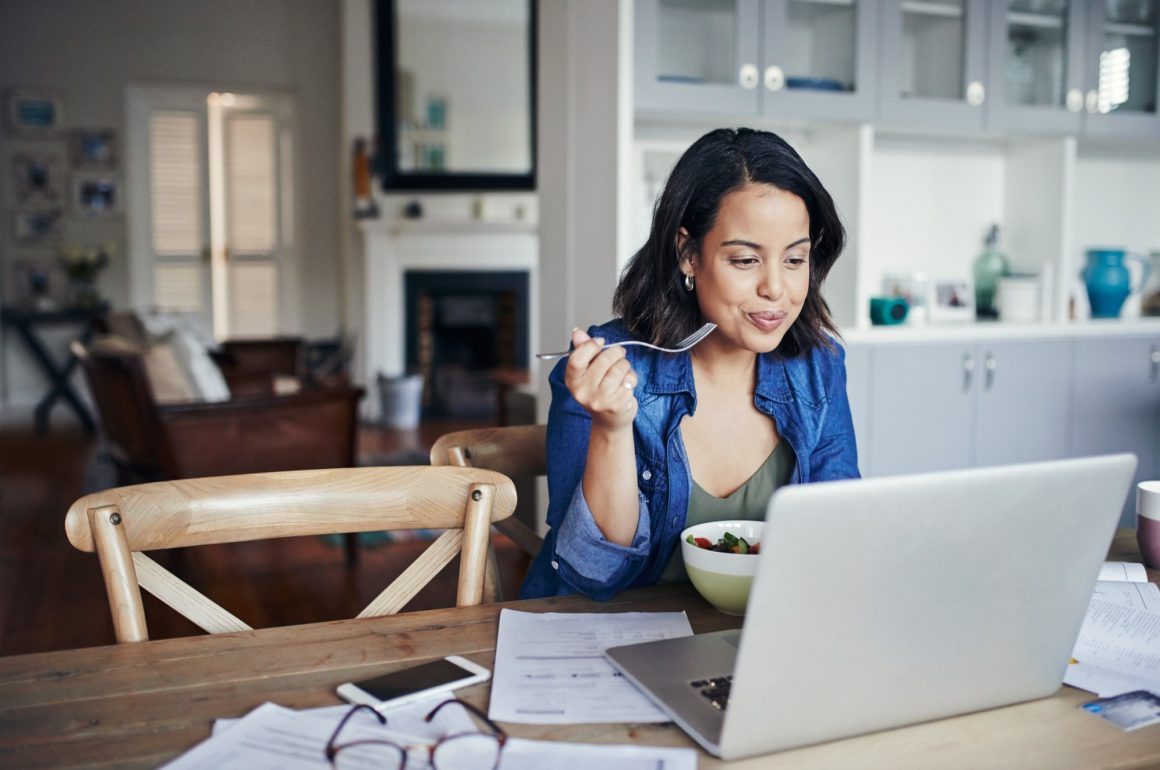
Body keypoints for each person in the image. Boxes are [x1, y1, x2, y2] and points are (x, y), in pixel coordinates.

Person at [520, 127, 860, 600]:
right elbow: (593, 573)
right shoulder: (608, 369)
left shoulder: (818, 368)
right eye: (745, 260)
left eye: (795, 259)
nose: (776, 290)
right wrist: (612, 428)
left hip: (746, 641)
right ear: (688, 254)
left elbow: (838, 537)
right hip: (608, 641)